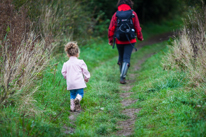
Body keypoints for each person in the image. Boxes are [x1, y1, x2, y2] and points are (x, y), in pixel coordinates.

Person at [108, 0, 144, 84]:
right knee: (126, 58)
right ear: (130, 4)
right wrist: (140, 37)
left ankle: (122, 77)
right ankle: (122, 77)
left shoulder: (116, 14)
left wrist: (110, 40)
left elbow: (111, 28)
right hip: (130, 40)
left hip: (118, 39)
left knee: (121, 57)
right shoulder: (133, 13)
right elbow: (137, 27)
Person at [61, 42, 90, 112]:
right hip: (79, 82)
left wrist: (67, 77)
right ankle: (78, 99)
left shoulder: (66, 64)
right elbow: (85, 71)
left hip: (70, 83)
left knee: (72, 94)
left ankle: (72, 107)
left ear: (68, 54)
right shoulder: (80, 62)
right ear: (77, 54)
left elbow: (63, 72)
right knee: (80, 93)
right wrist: (86, 78)